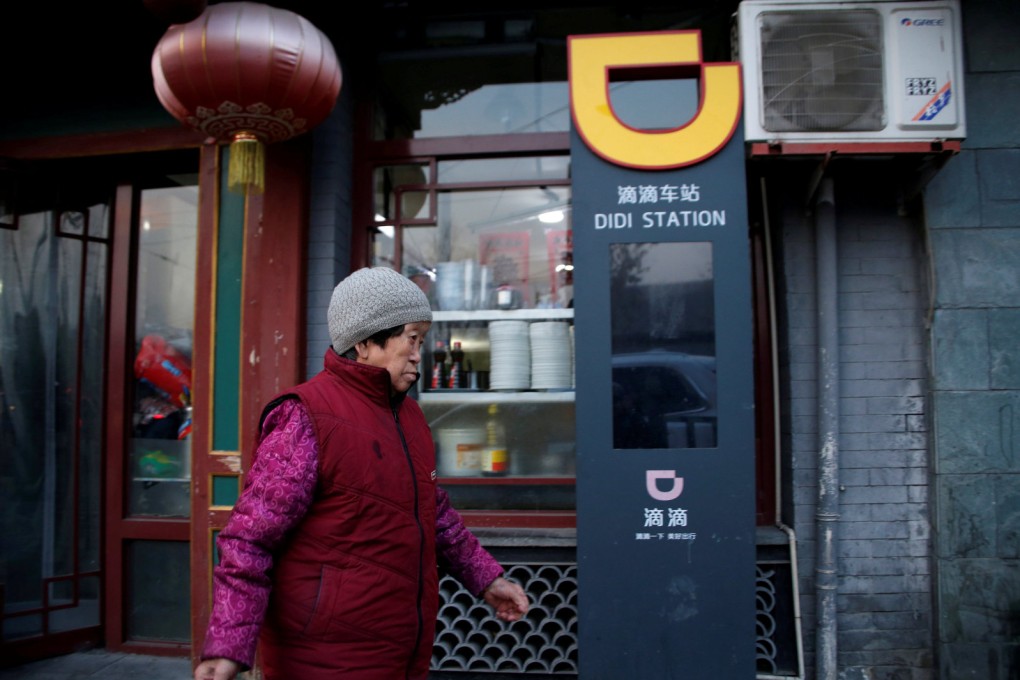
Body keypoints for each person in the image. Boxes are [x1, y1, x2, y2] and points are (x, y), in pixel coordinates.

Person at [194, 267, 529, 680]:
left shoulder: (408, 417)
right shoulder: (305, 416)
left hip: (399, 651)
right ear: (365, 342)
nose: (417, 353)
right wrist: (228, 645)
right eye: (411, 338)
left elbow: (435, 515)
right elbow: (249, 540)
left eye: (421, 341)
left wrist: (486, 580)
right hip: (324, 659)